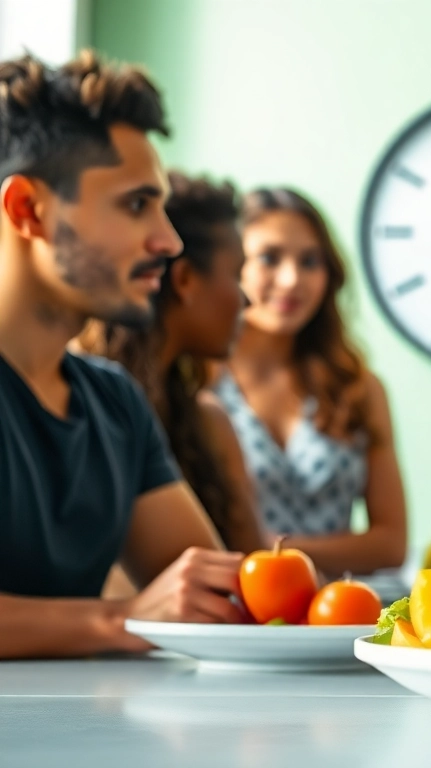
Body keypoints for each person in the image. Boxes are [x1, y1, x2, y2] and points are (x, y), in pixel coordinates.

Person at [0, 52, 245, 659]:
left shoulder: (114, 401)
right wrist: (123, 619)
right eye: (136, 205)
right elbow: (149, 612)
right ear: (27, 210)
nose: (169, 240)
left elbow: (210, 599)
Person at [217, 188, 407, 577]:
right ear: (233, 265)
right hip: (229, 605)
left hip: (336, 605)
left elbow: (391, 543)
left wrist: (269, 550)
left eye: (309, 261)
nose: (291, 280)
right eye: (269, 258)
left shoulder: (358, 389)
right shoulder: (198, 386)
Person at [81, 171, 263, 554]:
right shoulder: (90, 411)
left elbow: (253, 564)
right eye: (237, 275)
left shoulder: (209, 423)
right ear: (185, 280)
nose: (247, 300)